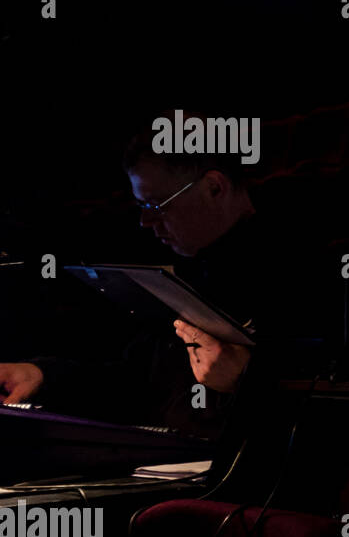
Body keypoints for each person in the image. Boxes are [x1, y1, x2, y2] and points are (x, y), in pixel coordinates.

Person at [0, 118, 316, 440]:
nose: (145, 221)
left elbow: (329, 406)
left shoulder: (299, 274)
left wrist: (246, 380)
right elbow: (134, 382)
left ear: (214, 188)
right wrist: (41, 374)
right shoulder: (184, 272)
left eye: (156, 204)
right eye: (140, 206)